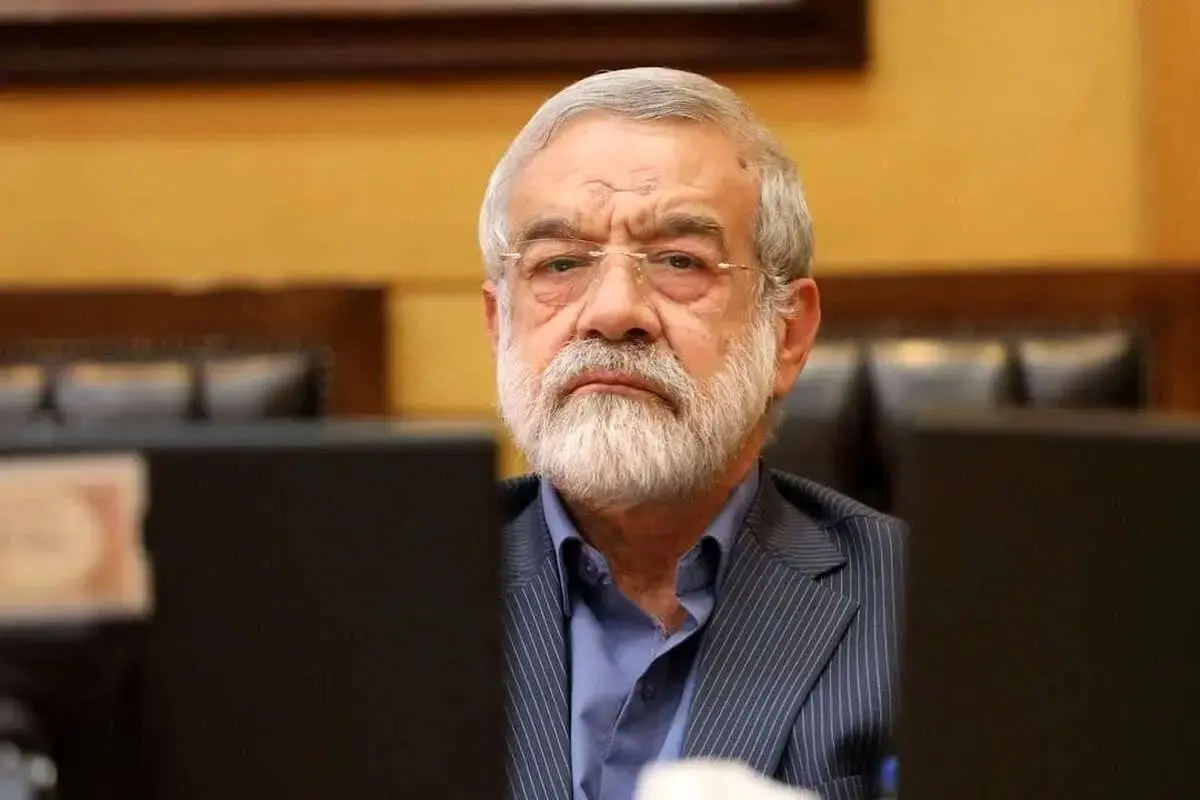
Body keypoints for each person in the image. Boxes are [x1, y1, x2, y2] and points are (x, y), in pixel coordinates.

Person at [479, 67, 906, 800]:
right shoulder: (382, 603)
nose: (613, 312)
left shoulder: (929, 609)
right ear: (499, 325)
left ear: (788, 334)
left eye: (680, 262)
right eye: (560, 263)